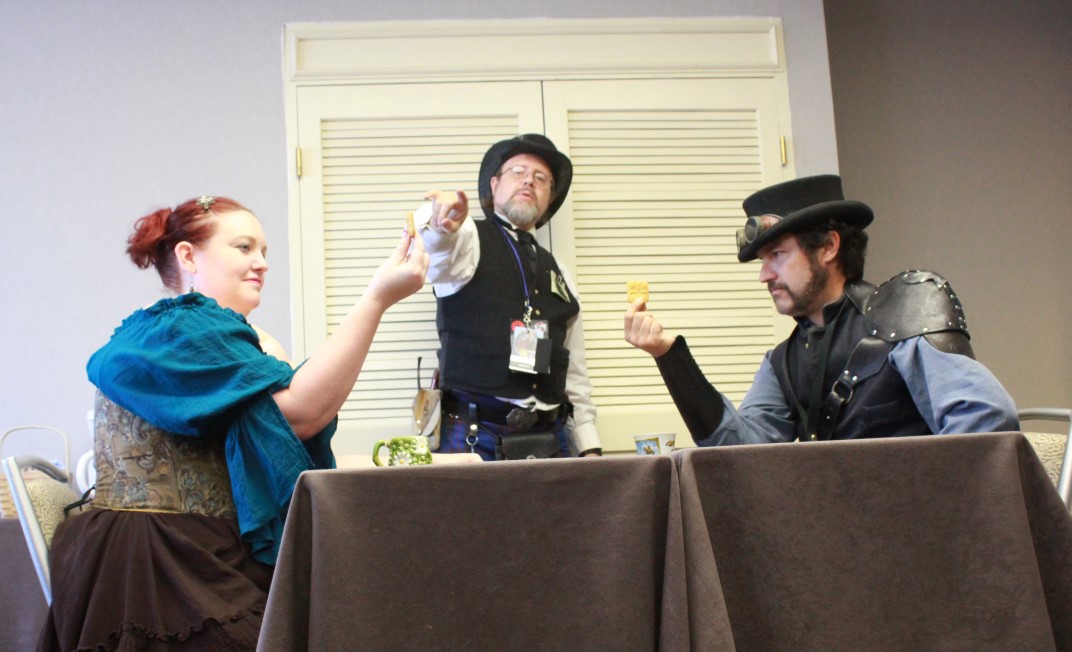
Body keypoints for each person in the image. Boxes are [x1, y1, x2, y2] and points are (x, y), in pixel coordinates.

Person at [14, 195, 427, 652]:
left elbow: (286, 419)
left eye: (264, 250)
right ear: (188, 256)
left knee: (322, 645)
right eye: (243, 247)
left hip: (194, 545)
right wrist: (376, 298)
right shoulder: (178, 328)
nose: (261, 261)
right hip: (151, 560)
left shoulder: (218, 337)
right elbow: (301, 412)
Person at [624, 174, 1018, 445]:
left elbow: (986, 416)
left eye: (777, 255)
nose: (764, 275)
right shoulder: (783, 362)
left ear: (828, 247)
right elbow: (739, 450)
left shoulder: (905, 314)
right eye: (762, 260)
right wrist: (668, 356)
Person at [418, 134, 602, 460]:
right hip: (473, 437)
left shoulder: (560, 273)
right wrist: (438, 223)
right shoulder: (466, 239)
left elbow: (574, 372)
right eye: (518, 172)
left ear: (549, 199)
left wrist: (589, 447)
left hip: (551, 440)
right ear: (494, 185)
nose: (529, 180)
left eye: (541, 178)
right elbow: (437, 251)